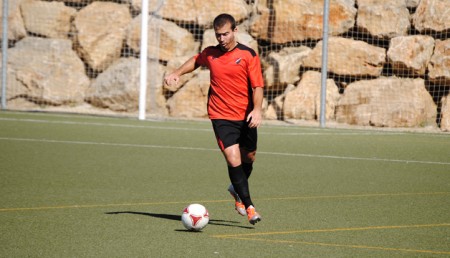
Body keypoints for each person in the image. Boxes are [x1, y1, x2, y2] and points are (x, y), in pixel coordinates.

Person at [164, 13, 264, 225]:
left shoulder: (248, 55)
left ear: (235, 31)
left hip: (245, 115)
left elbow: (257, 86)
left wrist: (257, 110)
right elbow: (196, 60)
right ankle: (249, 207)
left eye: (225, 34)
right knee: (233, 158)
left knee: (250, 157)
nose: (222, 39)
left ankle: (235, 188)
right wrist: (177, 73)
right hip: (220, 115)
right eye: (218, 35)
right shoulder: (211, 54)